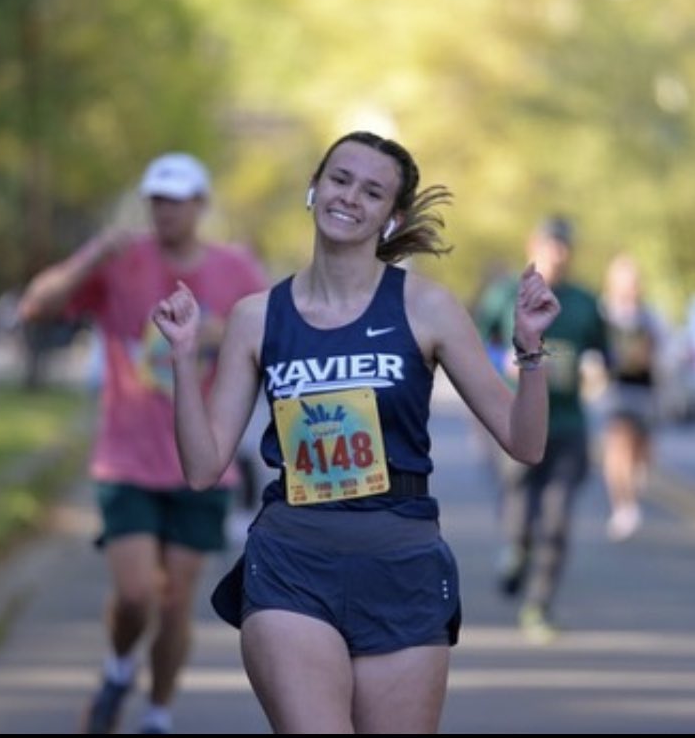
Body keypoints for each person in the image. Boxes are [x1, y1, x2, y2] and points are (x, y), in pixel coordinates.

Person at [150, 130, 561, 733]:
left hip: (402, 565)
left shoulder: (427, 309)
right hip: (292, 561)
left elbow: (524, 443)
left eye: (373, 191)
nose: (350, 197)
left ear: (391, 218)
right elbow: (203, 466)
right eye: (340, 179)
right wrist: (184, 358)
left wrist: (530, 351)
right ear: (314, 188)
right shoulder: (257, 317)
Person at [17, 152, 268, 734]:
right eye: (157, 199)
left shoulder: (235, 270)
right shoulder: (119, 260)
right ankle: (117, 667)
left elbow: (276, 330)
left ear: (200, 205)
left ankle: (157, 714)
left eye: (177, 200)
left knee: (176, 600)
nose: (166, 210)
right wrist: (90, 258)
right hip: (126, 457)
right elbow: (36, 305)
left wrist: (221, 330)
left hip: (202, 461)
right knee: (136, 596)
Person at [475, 215, 608, 644]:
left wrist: (596, 369)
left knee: (558, 518)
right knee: (520, 512)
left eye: (564, 246)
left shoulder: (585, 302)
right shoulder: (503, 295)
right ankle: (516, 550)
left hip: (567, 425)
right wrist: (505, 361)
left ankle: (539, 605)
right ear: (533, 244)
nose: (558, 253)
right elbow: (476, 347)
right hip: (517, 420)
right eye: (550, 244)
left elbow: (604, 355)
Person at [598, 252, 665, 542]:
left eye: (633, 282)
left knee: (640, 450)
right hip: (615, 390)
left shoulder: (648, 316)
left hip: (644, 390)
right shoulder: (603, 313)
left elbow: (664, 350)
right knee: (617, 445)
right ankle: (623, 506)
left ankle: (633, 491)